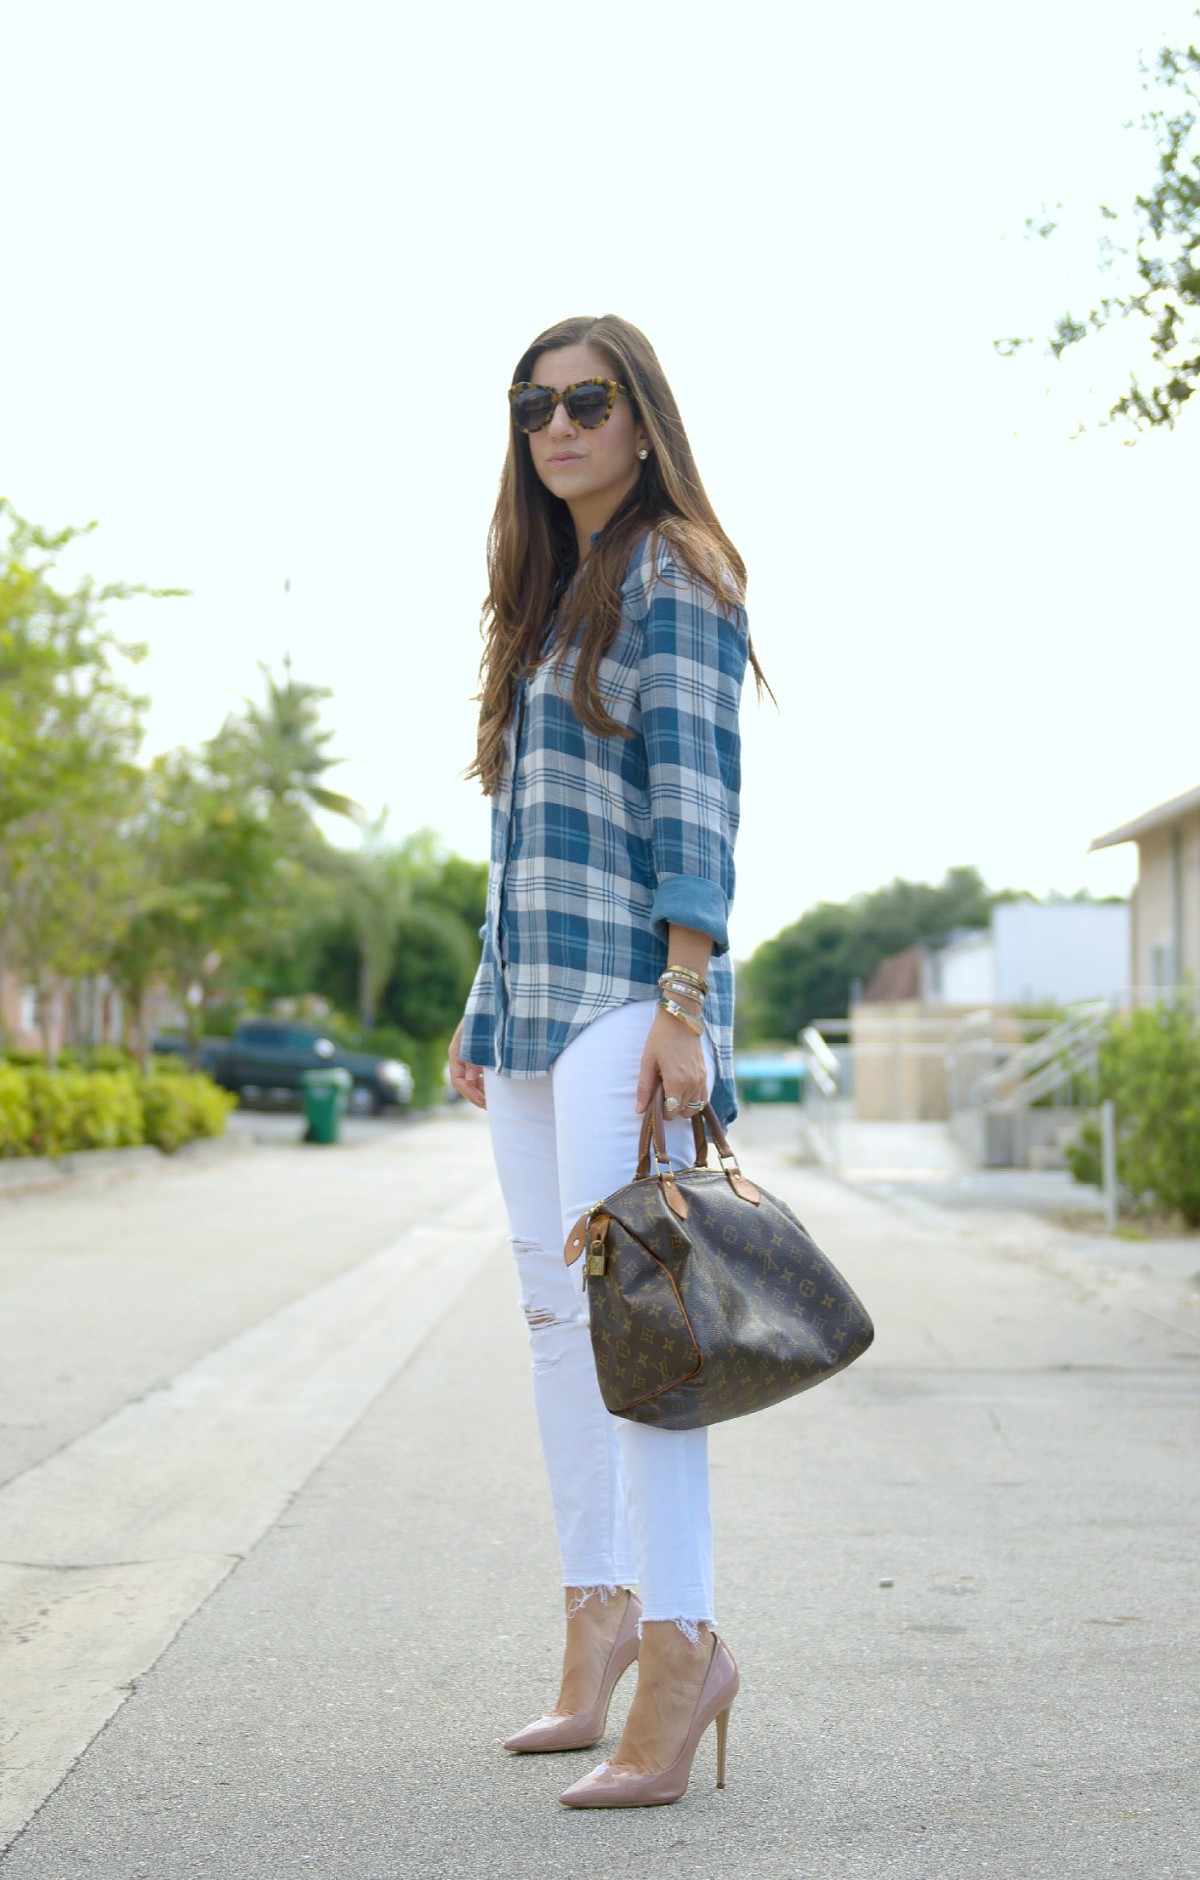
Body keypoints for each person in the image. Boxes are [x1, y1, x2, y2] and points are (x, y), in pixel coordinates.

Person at [448, 313, 767, 1810]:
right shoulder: (548, 592)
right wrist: (476, 999)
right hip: (527, 1002)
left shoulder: (675, 568)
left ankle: (684, 1646)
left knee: (639, 1326)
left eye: (588, 399)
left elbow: (696, 797)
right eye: (535, 404)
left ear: (642, 419)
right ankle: (600, 1621)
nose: (558, 424)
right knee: (552, 1321)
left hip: (626, 1004)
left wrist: (686, 1001)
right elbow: (532, 840)